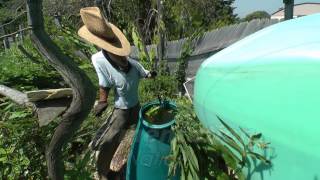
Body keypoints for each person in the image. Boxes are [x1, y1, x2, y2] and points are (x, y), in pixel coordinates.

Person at [78, 7, 156, 180]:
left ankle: (142, 151)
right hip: (121, 108)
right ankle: (103, 172)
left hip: (135, 105)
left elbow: (145, 73)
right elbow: (104, 83)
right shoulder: (99, 60)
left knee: (141, 130)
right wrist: (103, 101)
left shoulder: (133, 64)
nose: (122, 58)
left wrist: (151, 74)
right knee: (111, 139)